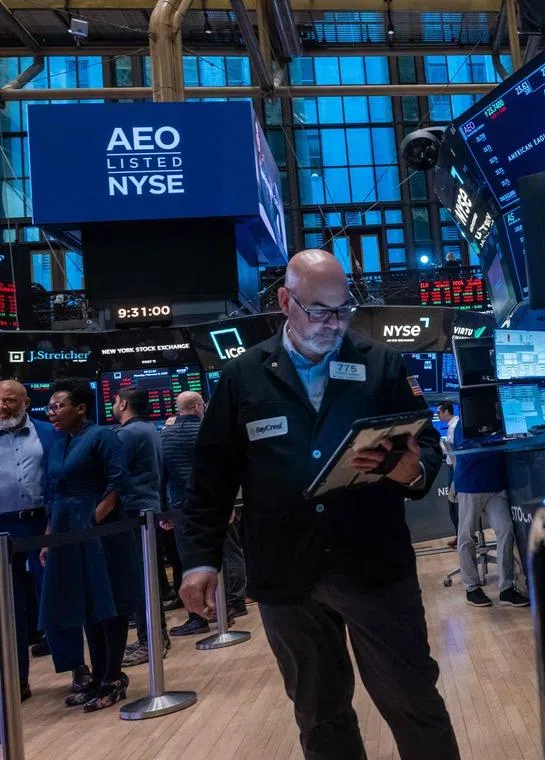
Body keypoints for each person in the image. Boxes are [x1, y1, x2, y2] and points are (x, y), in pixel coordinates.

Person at [180, 249, 460, 760]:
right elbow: (210, 479)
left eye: (342, 309)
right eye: (320, 310)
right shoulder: (244, 377)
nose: (333, 324)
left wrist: (410, 471)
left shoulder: (381, 364)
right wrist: (200, 559)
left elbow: (426, 453)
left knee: (412, 699)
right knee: (319, 714)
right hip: (287, 573)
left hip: (373, 566)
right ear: (285, 301)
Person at [40, 378, 134, 712]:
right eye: (50, 406)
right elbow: (53, 492)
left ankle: (113, 678)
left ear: (80, 408)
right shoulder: (58, 442)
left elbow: (118, 482)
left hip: (99, 530)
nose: (52, 412)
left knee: (109, 603)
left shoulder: (102, 436)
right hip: (66, 529)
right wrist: (51, 536)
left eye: (58, 405)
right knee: (85, 604)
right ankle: (95, 678)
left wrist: (92, 521)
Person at [0, 379, 90, 701]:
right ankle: (15, 680)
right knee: (7, 607)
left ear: (25, 401)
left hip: (43, 523)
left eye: (10, 400)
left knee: (57, 594)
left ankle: (76, 666)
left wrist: (54, 523)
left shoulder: (49, 432)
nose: (3, 407)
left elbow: (61, 479)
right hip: (3, 528)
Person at [161, 391, 246, 637]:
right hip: (215, 502)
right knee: (230, 552)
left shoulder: (166, 435)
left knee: (191, 560)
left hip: (181, 505)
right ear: (199, 407)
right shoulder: (209, 431)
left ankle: (199, 615)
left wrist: (163, 508)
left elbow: (163, 474)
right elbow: (226, 469)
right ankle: (234, 603)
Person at [112, 386, 170, 667]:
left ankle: (151, 641)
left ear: (123, 404)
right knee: (146, 577)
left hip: (134, 510)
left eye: (114, 402)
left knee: (140, 580)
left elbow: (112, 472)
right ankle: (153, 637)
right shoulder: (149, 429)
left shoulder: (129, 434)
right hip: (148, 506)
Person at [451, 421, 528, 608]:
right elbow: (468, 450)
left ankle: (507, 588)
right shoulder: (465, 422)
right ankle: (472, 588)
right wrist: (497, 441)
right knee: (466, 537)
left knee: (506, 530)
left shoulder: (503, 418)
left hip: (496, 486)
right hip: (471, 485)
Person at [437, 401, 460, 547]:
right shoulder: (454, 424)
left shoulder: (454, 427)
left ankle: (462, 536)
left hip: (455, 469)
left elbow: (451, 450)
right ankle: (462, 535)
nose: (438, 415)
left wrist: (438, 443)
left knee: (454, 506)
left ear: (446, 412)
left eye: (439, 412)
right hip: (454, 467)